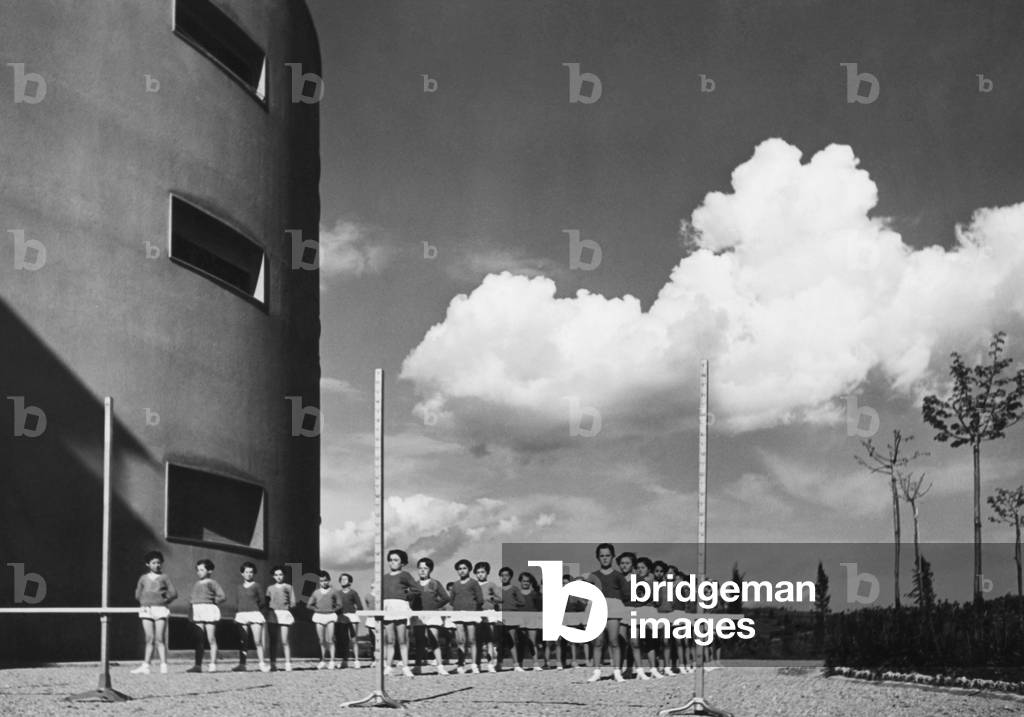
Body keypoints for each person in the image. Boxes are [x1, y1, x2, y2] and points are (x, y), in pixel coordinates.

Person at [131, 550, 177, 675]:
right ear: (148, 564)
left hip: (160, 609)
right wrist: (144, 601)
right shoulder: (143, 578)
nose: (157, 565)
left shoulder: (164, 577)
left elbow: (173, 593)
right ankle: (146, 665)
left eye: (159, 562)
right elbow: (137, 594)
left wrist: (164, 600)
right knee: (149, 638)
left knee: (160, 639)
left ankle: (163, 665)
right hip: (146, 609)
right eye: (153, 562)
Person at [587, 543, 627, 683]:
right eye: (602, 556)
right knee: (598, 642)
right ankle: (597, 671)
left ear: (612, 556)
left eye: (608, 555)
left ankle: (617, 672)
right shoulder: (593, 576)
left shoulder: (618, 575)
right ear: (598, 558)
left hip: (614, 607)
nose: (605, 558)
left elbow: (625, 594)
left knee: (614, 640)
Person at [381, 549, 420, 677]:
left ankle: (405, 667)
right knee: (389, 640)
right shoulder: (384, 577)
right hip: (387, 607)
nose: (392, 562)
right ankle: (388, 666)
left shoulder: (405, 575)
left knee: (402, 639)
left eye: (396, 560)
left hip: (400, 607)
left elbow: (416, 589)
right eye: (390, 560)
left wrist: (405, 596)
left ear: (402, 563)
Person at [414, 557, 451, 675]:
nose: (422, 571)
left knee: (434, 640)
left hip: (432, 615)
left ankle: (440, 666)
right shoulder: (414, 584)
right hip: (418, 615)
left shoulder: (435, 583)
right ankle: (417, 666)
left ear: (430, 570)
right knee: (419, 641)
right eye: (420, 568)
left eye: (425, 568)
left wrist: (435, 606)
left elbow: (446, 598)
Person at [189, 558, 226, 673]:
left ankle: (213, 663)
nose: (199, 572)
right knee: (199, 639)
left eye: (202, 570)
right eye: (198, 570)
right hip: (198, 611)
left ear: (209, 571)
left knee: (211, 638)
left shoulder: (212, 583)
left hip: (209, 610)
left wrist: (211, 602)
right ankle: (198, 665)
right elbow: (192, 599)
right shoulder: (196, 584)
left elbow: (222, 596)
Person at [233, 561, 270, 672]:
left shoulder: (257, 586)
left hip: (254, 614)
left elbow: (262, 601)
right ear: (242, 573)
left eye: (251, 572)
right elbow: (238, 601)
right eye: (246, 572)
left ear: (253, 574)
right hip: (242, 615)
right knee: (243, 641)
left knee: (257, 641)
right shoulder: (238, 587)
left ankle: (262, 664)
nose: (248, 574)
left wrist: (255, 609)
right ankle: (242, 664)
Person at [449, 558, 483, 674]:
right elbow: (451, 600)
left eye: (464, 568)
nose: (462, 571)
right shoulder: (455, 585)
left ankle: (474, 664)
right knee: (460, 640)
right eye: (459, 569)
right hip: (458, 613)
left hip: (471, 613)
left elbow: (480, 599)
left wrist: (471, 607)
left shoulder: (473, 583)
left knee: (472, 640)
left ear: (469, 570)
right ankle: (460, 664)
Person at [307, 570, 341, 669]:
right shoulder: (316, 592)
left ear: (329, 580)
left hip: (330, 616)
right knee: (321, 640)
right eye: (321, 581)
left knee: (330, 639)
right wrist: (316, 609)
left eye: (325, 580)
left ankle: (332, 660)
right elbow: (309, 604)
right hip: (319, 616)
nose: (324, 583)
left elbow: (339, 604)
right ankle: (323, 660)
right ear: (319, 582)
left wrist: (332, 609)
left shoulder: (334, 591)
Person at [266, 565, 296, 671]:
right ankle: (272, 663)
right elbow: (267, 601)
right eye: (276, 575)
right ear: (273, 576)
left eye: (280, 574)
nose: (278, 577)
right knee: (273, 640)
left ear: (284, 575)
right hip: (273, 615)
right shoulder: (270, 588)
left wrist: (286, 606)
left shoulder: (288, 587)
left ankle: (288, 663)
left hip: (284, 614)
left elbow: (293, 602)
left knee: (284, 640)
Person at [496, 566, 525, 671]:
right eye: (502, 575)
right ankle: (498, 664)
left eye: (506, 575)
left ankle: (516, 664)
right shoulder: (497, 589)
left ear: (510, 577)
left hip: (512, 616)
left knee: (512, 641)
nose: (504, 577)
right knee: (500, 641)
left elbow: (522, 602)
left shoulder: (514, 589)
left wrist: (512, 604)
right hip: (500, 616)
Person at [474, 561, 501, 672]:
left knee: (489, 640)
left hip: (489, 613)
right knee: (477, 640)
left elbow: (500, 597)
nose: (480, 574)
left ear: (487, 573)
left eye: (482, 572)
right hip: (476, 613)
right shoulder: (473, 585)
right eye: (478, 572)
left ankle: (490, 664)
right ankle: (478, 664)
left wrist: (491, 599)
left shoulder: (491, 585)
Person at [517, 571, 546, 670]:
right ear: (520, 582)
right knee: (520, 642)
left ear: (530, 582)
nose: (526, 583)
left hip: (532, 619)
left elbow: (540, 607)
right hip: (520, 619)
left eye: (528, 581)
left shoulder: (534, 594)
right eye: (524, 581)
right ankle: (519, 665)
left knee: (532, 642)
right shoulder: (516, 593)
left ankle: (536, 663)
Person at [337, 573, 364, 668]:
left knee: (354, 639)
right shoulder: (338, 593)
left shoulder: (353, 593)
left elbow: (360, 606)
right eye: (342, 579)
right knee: (344, 640)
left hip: (352, 617)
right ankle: (344, 661)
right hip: (342, 618)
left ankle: (356, 660)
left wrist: (354, 612)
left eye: (345, 579)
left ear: (350, 582)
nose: (343, 581)